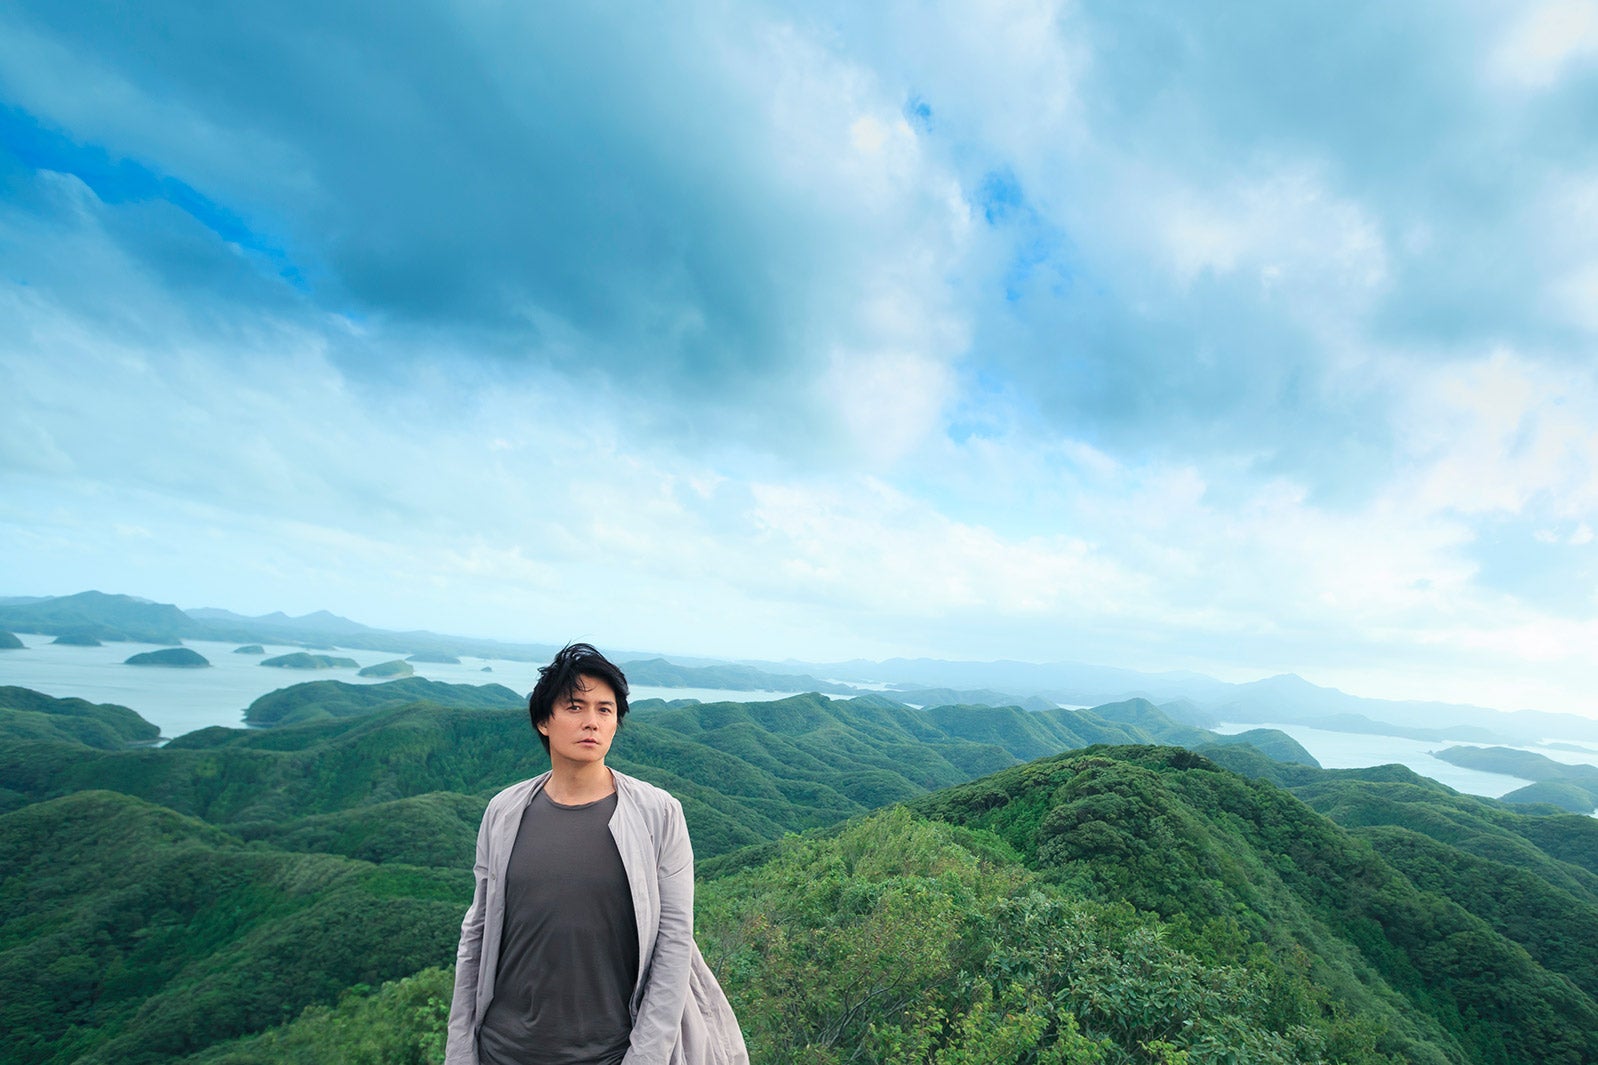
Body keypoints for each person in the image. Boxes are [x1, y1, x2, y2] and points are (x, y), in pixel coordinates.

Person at [446, 643, 747, 1065]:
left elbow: (673, 944)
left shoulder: (658, 814)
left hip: (611, 1053)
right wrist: (460, 1048)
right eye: (575, 706)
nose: (592, 721)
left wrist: (644, 1058)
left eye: (605, 710)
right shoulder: (503, 812)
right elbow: (476, 934)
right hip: (502, 1049)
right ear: (543, 721)